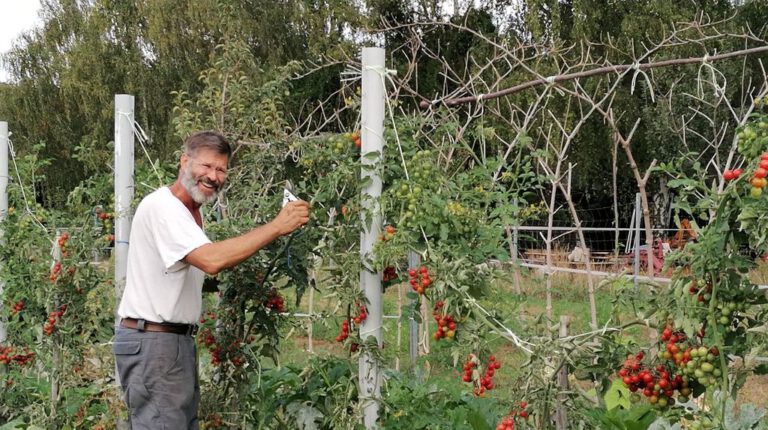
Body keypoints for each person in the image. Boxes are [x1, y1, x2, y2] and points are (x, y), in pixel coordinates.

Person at [112, 130, 310, 429]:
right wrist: (277, 226)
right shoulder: (164, 208)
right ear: (184, 161)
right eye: (206, 166)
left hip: (169, 342)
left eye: (221, 169)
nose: (214, 176)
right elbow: (211, 260)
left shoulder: (189, 212)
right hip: (154, 343)